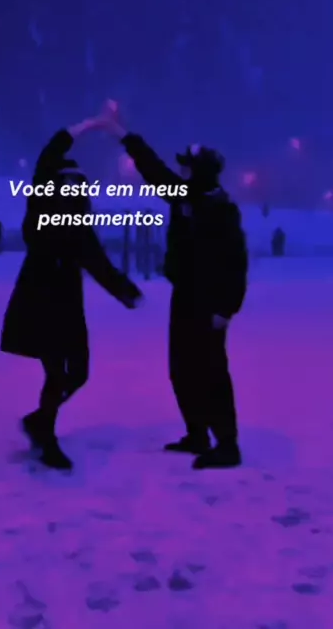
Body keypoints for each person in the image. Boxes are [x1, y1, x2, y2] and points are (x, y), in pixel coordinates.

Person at [101, 101, 248, 469]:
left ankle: (227, 444)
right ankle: (197, 433)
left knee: (211, 371)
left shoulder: (220, 209)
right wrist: (124, 136)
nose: (181, 170)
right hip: (185, 295)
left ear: (200, 172)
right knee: (181, 367)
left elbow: (236, 264)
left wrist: (225, 309)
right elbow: (153, 170)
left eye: (187, 166)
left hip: (210, 303)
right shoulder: (187, 197)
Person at [1, 117, 142, 470]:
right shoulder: (40, 210)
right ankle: (46, 439)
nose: (74, 189)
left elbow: (97, 261)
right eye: (68, 183)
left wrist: (125, 291)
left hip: (67, 303)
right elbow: (48, 158)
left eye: (79, 185)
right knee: (56, 372)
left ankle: (39, 420)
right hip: (39, 298)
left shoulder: (79, 225)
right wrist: (86, 127)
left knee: (78, 372)